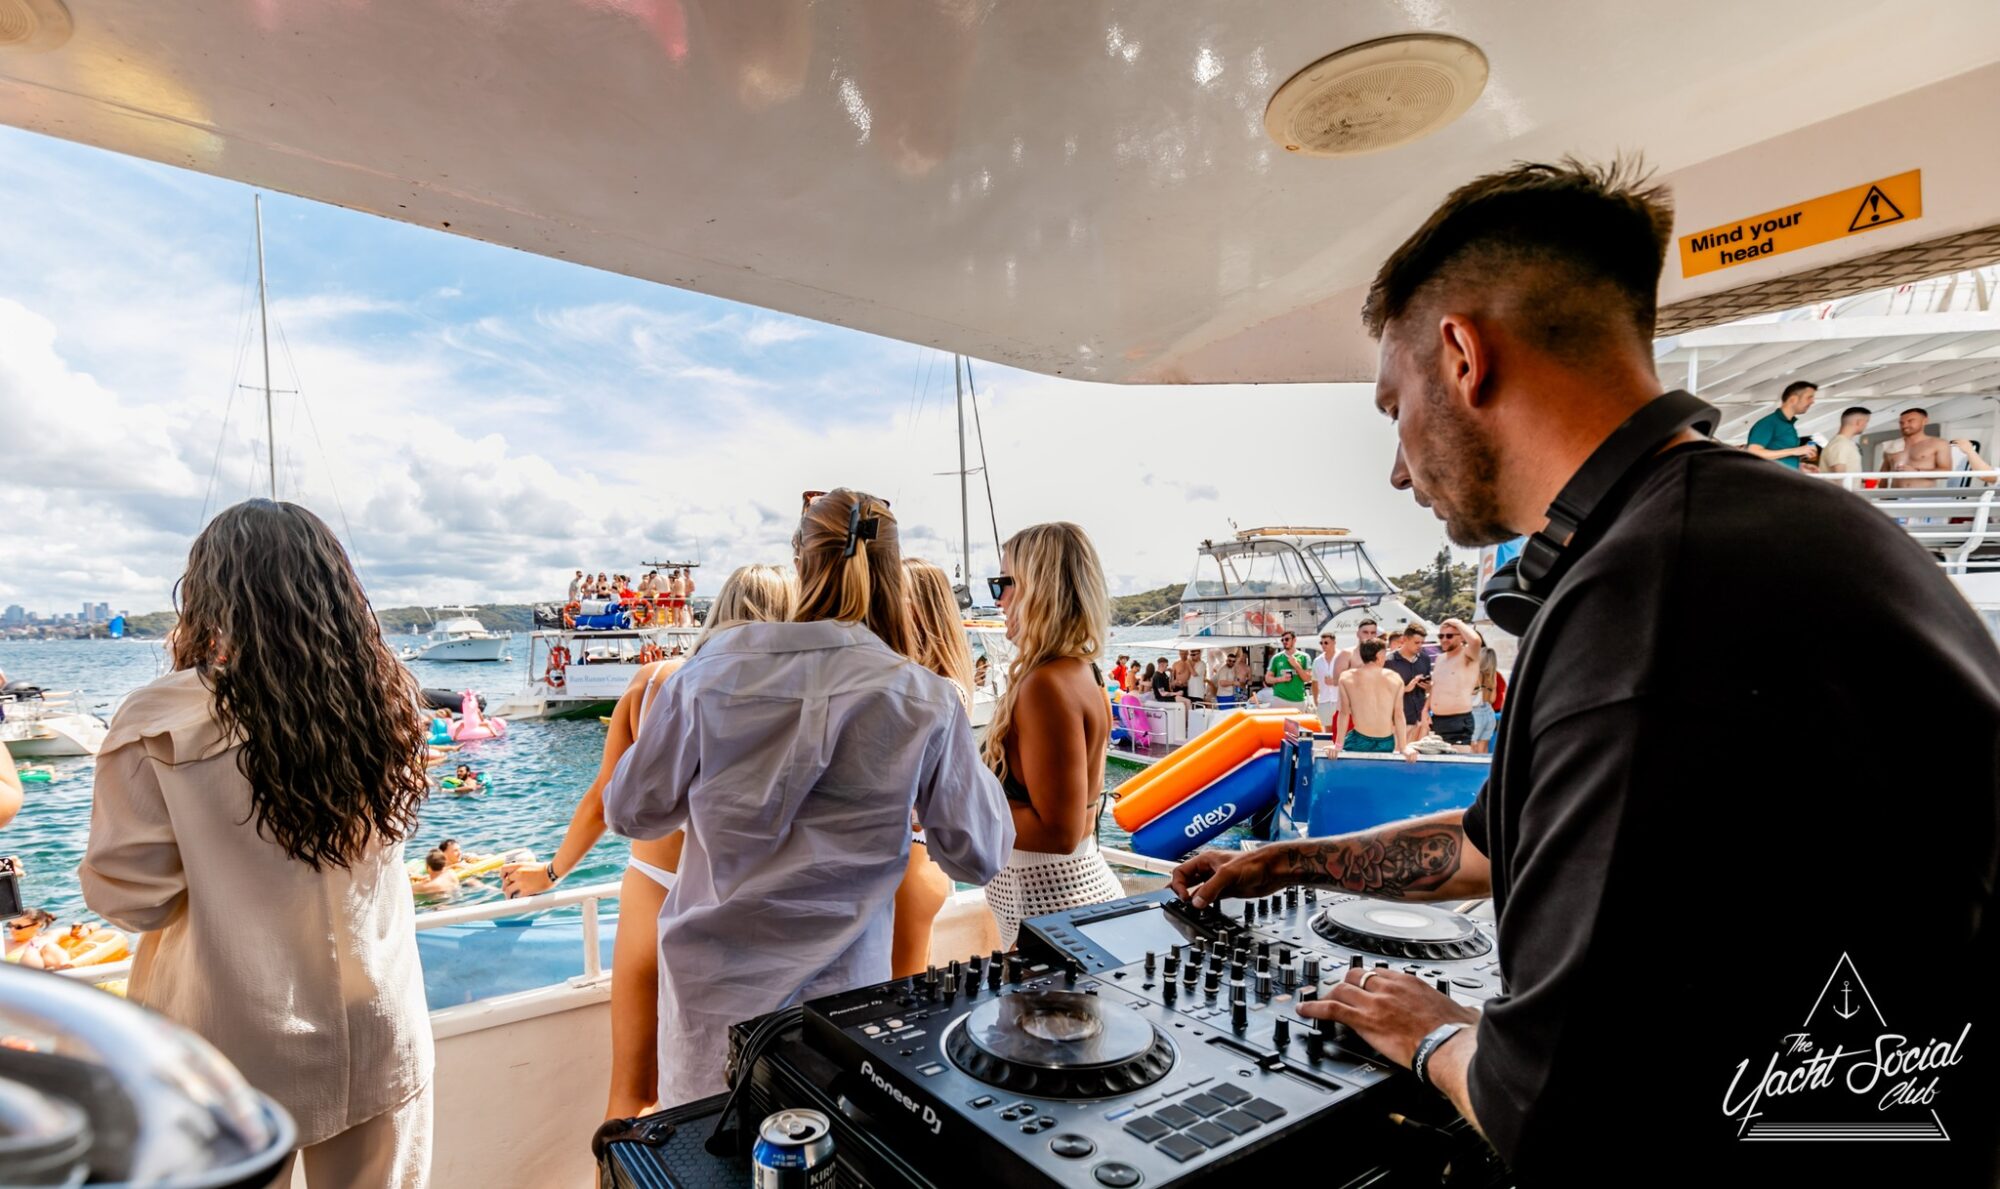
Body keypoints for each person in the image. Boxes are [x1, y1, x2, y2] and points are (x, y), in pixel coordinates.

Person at [1173, 158, 2000, 1185]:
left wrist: (1435, 1033)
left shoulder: (1648, 599)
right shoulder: (1775, 528)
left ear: (1462, 354)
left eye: (1392, 409)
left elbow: (1558, 1113)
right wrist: (1286, 863)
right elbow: (1489, 850)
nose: (1396, 465)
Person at [603, 489, 1011, 1108]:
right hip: (844, 1009)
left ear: (801, 564)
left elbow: (630, 810)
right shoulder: (921, 699)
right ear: (892, 573)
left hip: (713, 1003)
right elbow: (978, 855)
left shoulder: (708, 676)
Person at [82, 499, 433, 1187]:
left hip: (227, 1042)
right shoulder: (385, 704)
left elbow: (132, 897)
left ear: (210, 594)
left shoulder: (162, 719)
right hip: (380, 1024)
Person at [504, 562, 795, 1119]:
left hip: (655, 887)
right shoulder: (789, 705)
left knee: (632, 1092)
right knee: (727, 1091)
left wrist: (551, 873)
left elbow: (603, 801)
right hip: (729, 901)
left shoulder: (659, 681)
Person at [982, 522, 1124, 949]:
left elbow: (1060, 832)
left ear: (1039, 586)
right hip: (1068, 913)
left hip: (1054, 919)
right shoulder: (1084, 671)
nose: (999, 598)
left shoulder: (1044, 685)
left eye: (1004, 583)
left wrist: (957, 811)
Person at [896, 558, 975, 979]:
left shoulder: (936, 692)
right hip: (913, 861)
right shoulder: (934, 688)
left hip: (910, 858)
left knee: (892, 996)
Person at [1330, 639, 1415, 761]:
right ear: (1379, 655)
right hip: (1386, 741)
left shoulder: (1347, 677)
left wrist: (1338, 746)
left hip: (1359, 739)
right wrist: (1403, 747)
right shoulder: (1395, 678)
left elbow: (1344, 713)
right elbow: (1399, 716)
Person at [1425, 617, 1484, 745]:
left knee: (1457, 762)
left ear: (1462, 637)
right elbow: (1436, 688)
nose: (1444, 639)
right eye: (1441, 636)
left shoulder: (1467, 655)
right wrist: (1425, 711)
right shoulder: (1440, 659)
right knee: (1437, 763)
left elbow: (1475, 641)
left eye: (1449, 635)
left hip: (1458, 721)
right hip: (1437, 721)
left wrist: (1457, 622)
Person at [1742, 380, 1819, 469]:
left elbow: (1780, 456)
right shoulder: (1768, 423)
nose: (1812, 402)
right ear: (1793, 399)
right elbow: (1754, 452)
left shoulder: (1788, 425)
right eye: (1809, 397)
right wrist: (1795, 451)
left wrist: (1802, 459)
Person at [1884, 406, 1955, 487]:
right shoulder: (1892, 445)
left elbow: (1946, 473)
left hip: (1922, 496)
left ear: (1925, 421)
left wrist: (1916, 472)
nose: (1905, 425)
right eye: (1901, 423)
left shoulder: (1939, 443)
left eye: (1910, 421)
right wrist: (1880, 497)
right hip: (1893, 496)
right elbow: (1883, 475)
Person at [1383, 625, 1433, 736]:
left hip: (1420, 721)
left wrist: (1429, 687)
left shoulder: (1425, 659)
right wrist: (1405, 689)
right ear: (1405, 639)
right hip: (1397, 722)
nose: (1420, 646)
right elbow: (1382, 692)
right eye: (1416, 643)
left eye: (1422, 643)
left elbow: (1429, 689)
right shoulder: (1389, 661)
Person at [4, 908, 70, 969]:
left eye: (18, 927)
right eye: (10, 925)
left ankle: (65, 968)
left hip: (30, 974)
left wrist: (76, 933)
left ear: (36, 925)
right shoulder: (3, 942)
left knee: (47, 948)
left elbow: (67, 930)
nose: (12, 930)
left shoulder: (45, 939)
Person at [1262, 630, 1312, 707]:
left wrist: (1296, 666)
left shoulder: (1304, 657)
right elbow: (1268, 679)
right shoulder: (1276, 658)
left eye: (1287, 639)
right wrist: (1281, 679)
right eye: (1282, 640)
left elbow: (1308, 678)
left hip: (1298, 700)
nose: (1284, 641)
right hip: (1279, 699)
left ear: (1294, 640)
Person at [1817, 406, 1870, 475]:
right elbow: (1839, 477)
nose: (1866, 425)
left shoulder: (1845, 443)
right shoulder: (1840, 444)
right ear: (1859, 422)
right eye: (1866, 422)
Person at [1469, 646, 1502, 755]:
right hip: (1489, 713)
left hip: (1475, 714)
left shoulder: (1475, 674)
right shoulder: (1493, 676)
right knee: (1483, 750)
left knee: (1472, 749)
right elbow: (1492, 699)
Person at [1312, 632, 1342, 729]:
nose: (1323, 645)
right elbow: (1314, 681)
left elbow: (1349, 679)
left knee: (1341, 729)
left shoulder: (1342, 657)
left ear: (1334, 642)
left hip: (1340, 700)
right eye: (1321, 643)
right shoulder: (1317, 661)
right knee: (1328, 731)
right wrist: (1315, 700)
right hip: (1324, 701)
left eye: (1326, 643)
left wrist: (1335, 681)